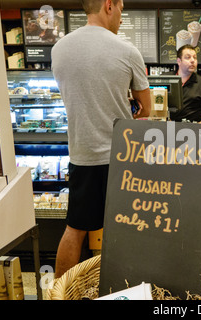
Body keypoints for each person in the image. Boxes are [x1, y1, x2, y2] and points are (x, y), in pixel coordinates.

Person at [51, 0, 151, 279]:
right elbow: (146, 107)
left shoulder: (59, 49)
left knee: (75, 229)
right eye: (121, 8)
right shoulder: (127, 50)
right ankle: (122, 291)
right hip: (121, 157)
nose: (121, 16)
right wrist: (126, 102)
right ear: (109, 5)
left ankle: (60, 293)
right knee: (125, 229)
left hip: (81, 154)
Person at [170, 44, 201, 124]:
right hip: (167, 129)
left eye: (194, 57)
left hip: (192, 130)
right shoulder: (166, 79)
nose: (192, 60)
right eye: (188, 57)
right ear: (179, 61)